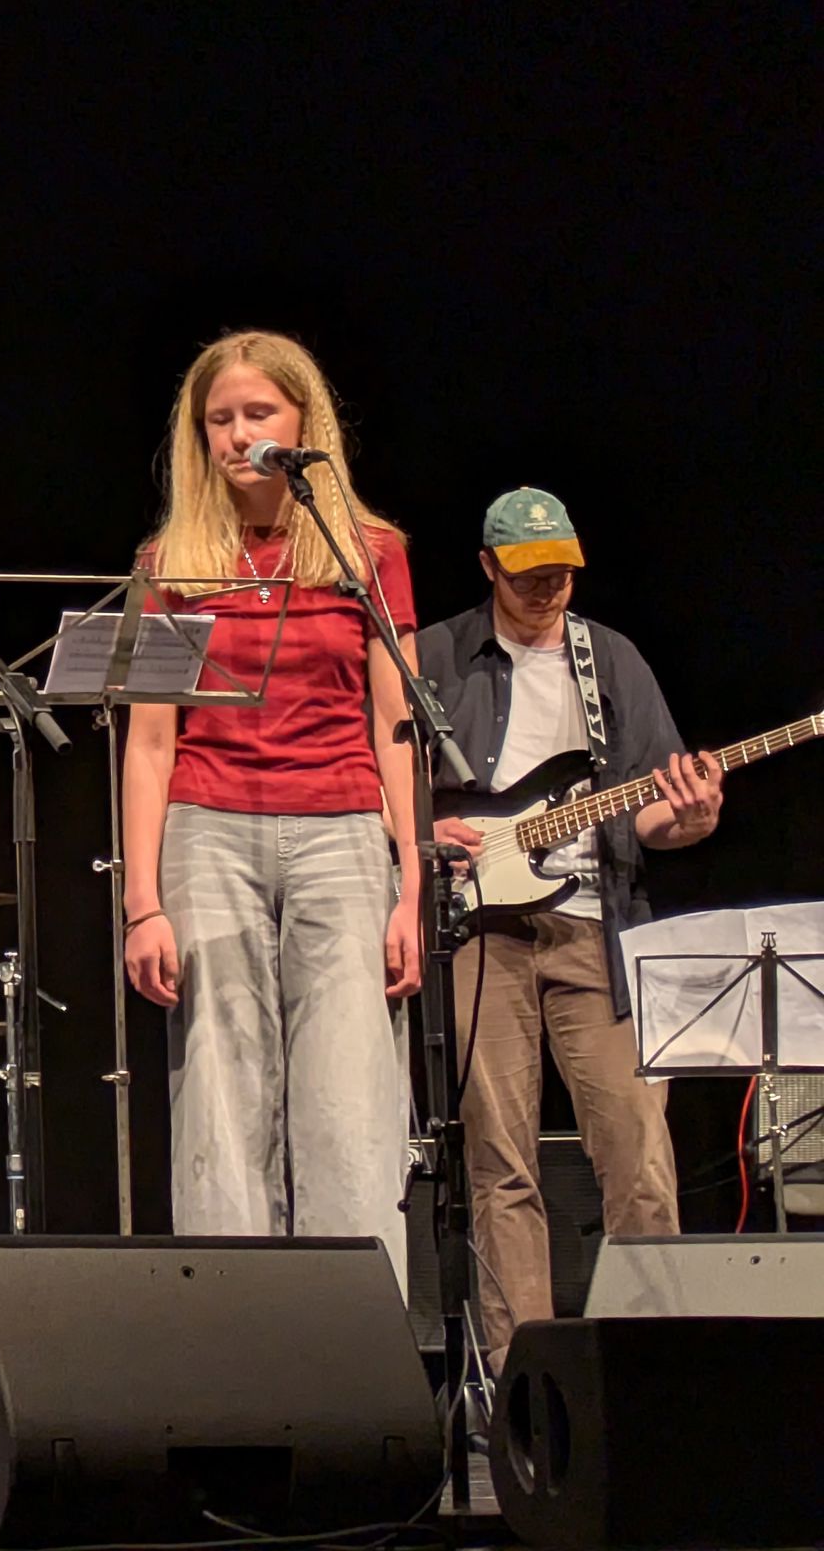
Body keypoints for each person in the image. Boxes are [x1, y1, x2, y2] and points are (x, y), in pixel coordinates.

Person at [119, 331, 421, 1267]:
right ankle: (235, 1329)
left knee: (348, 1094)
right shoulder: (171, 559)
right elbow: (150, 743)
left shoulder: (367, 552)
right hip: (208, 833)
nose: (237, 433)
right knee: (220, 1088)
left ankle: (354, 1328)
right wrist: (142, 905)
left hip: (341, 831)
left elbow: (396, 726)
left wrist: (412, 888)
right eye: (219, 419)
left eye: (259, 413)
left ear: (302, 424)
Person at [417, 487, 723, 1363]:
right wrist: (427, 832)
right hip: (480, 930)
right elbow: (384, 786)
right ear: (487, 567)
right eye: (526, 574)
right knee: (501, 1164)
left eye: (560, 572)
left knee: (639, 1153)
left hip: (596, 924)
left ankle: (652, 1368)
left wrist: (691, 818)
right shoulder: (435, 653)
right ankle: (522, 1380)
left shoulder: (611, 659)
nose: (547, 588)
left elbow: (653, 812)